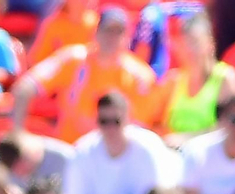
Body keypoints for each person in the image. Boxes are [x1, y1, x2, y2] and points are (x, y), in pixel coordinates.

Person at [13, 7, 158, 144]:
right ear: (96, 33)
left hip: (115, 157)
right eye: (108, 30)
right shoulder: (73, 59)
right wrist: (19, 134)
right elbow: (25, 87)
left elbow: (139, 129)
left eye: (118, 32)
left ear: (128, 37)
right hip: (70, 150)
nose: (112, 38)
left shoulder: (140, 77)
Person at [64, 90, 180, 194]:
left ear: (128, 120)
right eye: (104, 121)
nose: (110, 128)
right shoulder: (83, 152)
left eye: (116, 121)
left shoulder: (148, 148)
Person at [153, 11, 235, 137]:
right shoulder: (173, 80)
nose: (189, 49)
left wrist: (187, 139)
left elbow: (230, 127)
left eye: (195, 42)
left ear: (210, 43)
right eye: (184, 43)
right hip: (174, 151)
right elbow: (155, 123)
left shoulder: (225, 78)